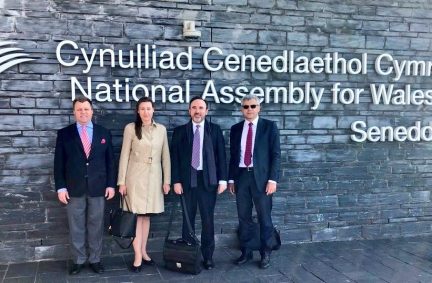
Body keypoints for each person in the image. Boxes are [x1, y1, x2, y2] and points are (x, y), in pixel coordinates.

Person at [54, 97, 116, 275]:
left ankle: (95, 259)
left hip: (98, 187)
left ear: (92, 111)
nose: (83, 112)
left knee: (96, 225)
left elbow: (110, 161)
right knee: (76, 226)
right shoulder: (64, 134)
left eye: (86, 109)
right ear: (74, 112)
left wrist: (111, 185)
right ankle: (79, 260)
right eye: (79, 109)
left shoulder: (103, 132)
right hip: (74, 188)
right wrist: (61, 187)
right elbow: (59, 163)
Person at [170, 96, 227, 270]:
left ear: (206, 111)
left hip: (208, 181)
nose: (197, 111)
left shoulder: (214, 130)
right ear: (189, 110)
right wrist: (176, 181)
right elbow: (175, 159)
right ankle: (188, 254)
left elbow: (222, 156)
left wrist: (223, 180)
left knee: (207, 220)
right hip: (187, 182)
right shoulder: (180, 131)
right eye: (194, 107)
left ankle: (207, 256)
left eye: (201, 108)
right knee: (188, 221)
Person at [117, 97, 171, 272]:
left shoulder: (161, 129)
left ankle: (144, 250)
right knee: (136, 217)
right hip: (135, 177)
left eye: (148, 108)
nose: (146, 112)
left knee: (146, 217)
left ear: (153, 110)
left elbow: (165, 157)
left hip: (154, 178)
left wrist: (167, 181)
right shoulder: (130, 128)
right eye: (142, 109)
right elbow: (124, 155)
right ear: (138, 111)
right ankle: (137, 256)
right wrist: (121, 181)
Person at [228, 94, 281, 269]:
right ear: (241, 109)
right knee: (243, 217)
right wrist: (231, 179)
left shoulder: (269, 127)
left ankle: (266, 252)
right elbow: (233, 157)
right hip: (242, 176)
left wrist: (273, 179)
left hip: (262, 179)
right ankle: (246, 251)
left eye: (252, 106)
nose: (249, 109)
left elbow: (275, 155)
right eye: (245, 107)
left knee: (264, 217)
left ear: (259, 108)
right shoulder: (235, 129)